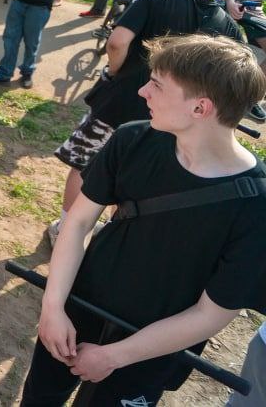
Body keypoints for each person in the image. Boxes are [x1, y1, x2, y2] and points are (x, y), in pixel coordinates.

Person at [20, 34, 266, 407]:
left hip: (150, 353)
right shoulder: (133, 140)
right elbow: (78, 223)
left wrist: (115, 356)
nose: (142, 92)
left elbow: (211, 313)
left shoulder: (257, 204)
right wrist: (53, 309)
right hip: (75, 317)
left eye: (157, 85)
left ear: (200, 108)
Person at [52, 0, 242, 235]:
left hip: (121, 100)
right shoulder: (228, 26)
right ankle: (113, 235)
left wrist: (115, 73)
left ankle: (67, 230)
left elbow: (117, 42)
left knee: (86, 164)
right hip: (174, 120)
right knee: (137, 177)